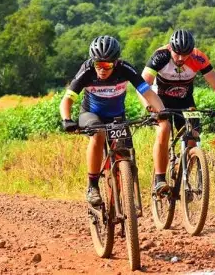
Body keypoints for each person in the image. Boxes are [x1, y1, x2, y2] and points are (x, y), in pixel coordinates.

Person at [60, 35, 168, 206]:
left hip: (117, 117)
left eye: (107, 65)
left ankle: (123, 197)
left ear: (116, 62)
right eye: (98, 64)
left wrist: (162, 112)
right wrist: (67, 119)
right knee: (99, 133)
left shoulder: (125, 69)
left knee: (127, 158)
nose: (102, 69)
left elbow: (147, 92)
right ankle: (92, 186)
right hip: (91, 114)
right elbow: (67, 100)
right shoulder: (87, 70)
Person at [141, 29, 215, 195]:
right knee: (164, 129)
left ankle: (183, 173)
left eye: (185, 55)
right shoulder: (160, 56)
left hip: (185, 101)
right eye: (177, 54)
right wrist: (149, 106)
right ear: (171, 48)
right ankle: (159, 179)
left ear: (192, 51)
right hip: (160, 101)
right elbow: (143, 85)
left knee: (193, 137)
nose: (181, 58)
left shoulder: (198, 57)